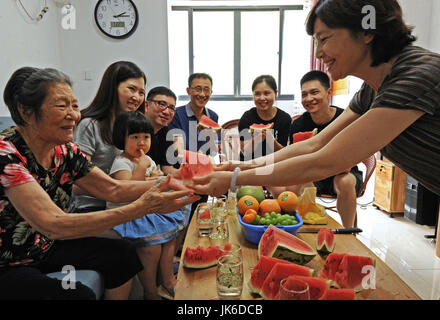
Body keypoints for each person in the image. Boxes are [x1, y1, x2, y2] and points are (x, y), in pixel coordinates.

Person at [189, 0, 440, 253]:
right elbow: (315, 143)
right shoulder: (372, 89)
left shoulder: (415, 75)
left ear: (366, 31)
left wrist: (233, 179)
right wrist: (244, 165)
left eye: (324, 38)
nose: (319, 52)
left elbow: (323, 161)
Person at [0, 67, 198, 300]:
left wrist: (179, 181)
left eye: (74, 106)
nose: (74, 115)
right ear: (26, 112)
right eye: (62, 106)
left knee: (122, 255)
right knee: (77, 294)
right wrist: (143, 206)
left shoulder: (65, 150)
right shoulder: (7, 154)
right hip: (10, 262)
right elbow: (54, 224)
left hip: (47, 246)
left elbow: (112, 188)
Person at [107, 111, 186, 300]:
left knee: (169, 240)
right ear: (121, 138)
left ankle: (167, 280)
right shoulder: (121, 163)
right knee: (151, 248)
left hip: (146, 209)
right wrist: (142, 169)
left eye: (146, 137)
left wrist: (158, 176)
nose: (142, 142)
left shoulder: (148, 159)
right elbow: (127, 190)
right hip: (128, 213)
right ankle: (150, 290)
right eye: (135, 137)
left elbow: (157, 176)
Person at [270, 71, 363, 227]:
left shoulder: (344, 117)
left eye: (314, 92)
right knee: (295, 184)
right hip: (314, 172)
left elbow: (357, 150)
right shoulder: (298, 125)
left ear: (328, 92)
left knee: (345, 182)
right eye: (304, 94)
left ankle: (349, 231)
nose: (309, 99)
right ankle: (298, 226)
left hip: (344, 171)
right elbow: (296, 158)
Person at [69, 61, 147, 213]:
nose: (137, 97)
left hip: (123, 203)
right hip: (91, 208)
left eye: (141, 92)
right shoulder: (90, 126)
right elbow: (77, 185)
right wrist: (117, 186)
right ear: (112, 88)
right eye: (131, 89)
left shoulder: (131, 129)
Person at [168, 73, 219, 217]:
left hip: (203, 176)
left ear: (211, 92)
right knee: (183, 218)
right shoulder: (176, 115)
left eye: (206, 90)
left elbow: (213, 150)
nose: (202, 94)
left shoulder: (213, 116)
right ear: (188, 91)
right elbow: (179, 151)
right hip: (182, 176)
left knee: (200, 215)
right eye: (197, 89)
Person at [238, 74, 291, 161]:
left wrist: (271, 140)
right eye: (257, 94)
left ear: (276, 94)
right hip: (250, 166)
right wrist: (255, 140)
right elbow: (244, 152)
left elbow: (283, 153)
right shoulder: (247, 117)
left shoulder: (285, 119)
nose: (262, 98)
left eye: (267, 93)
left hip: (274, 165)